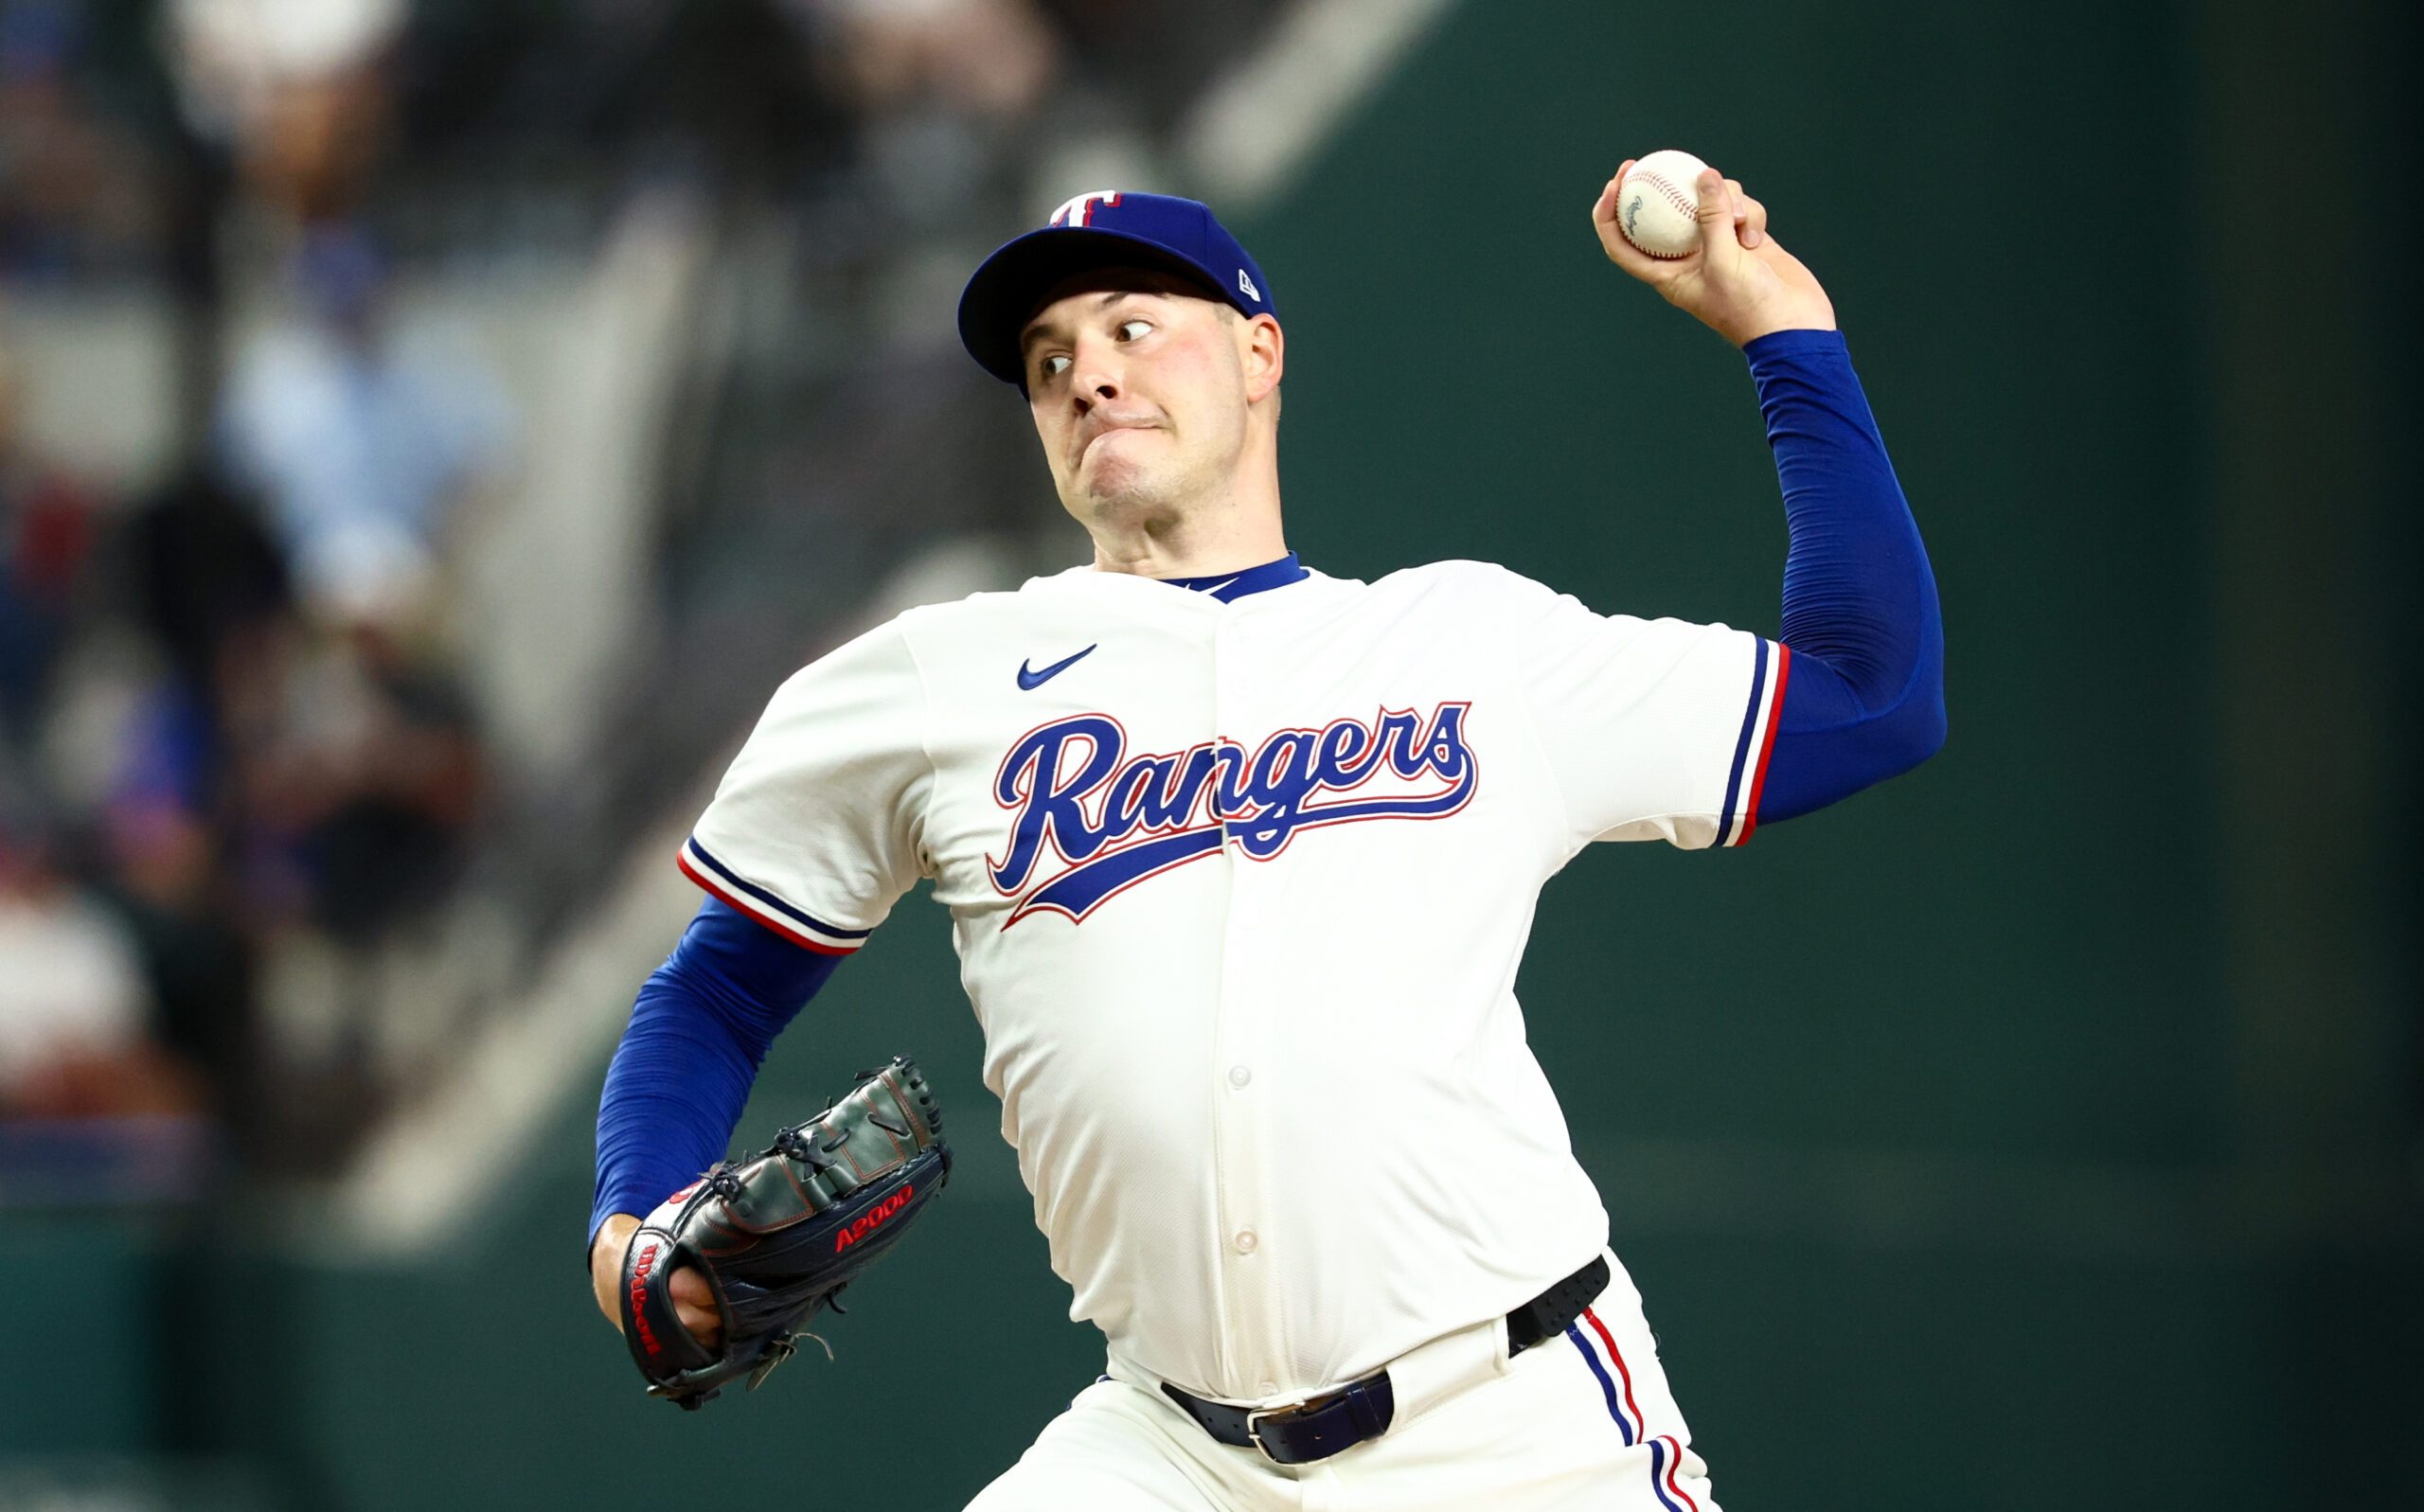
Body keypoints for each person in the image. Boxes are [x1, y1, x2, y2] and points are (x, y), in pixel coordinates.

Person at [589, 168, 1943, 1510]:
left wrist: (1789, 336)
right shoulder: (936, 679)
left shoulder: (1470, 646)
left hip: (1514, 1423)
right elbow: (714, 990)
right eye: (1049, 356)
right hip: (1174, 1450)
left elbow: (1872, 695)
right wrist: (633, 1216)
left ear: (1257, 352)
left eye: (1131, 327)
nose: (1085, 374)